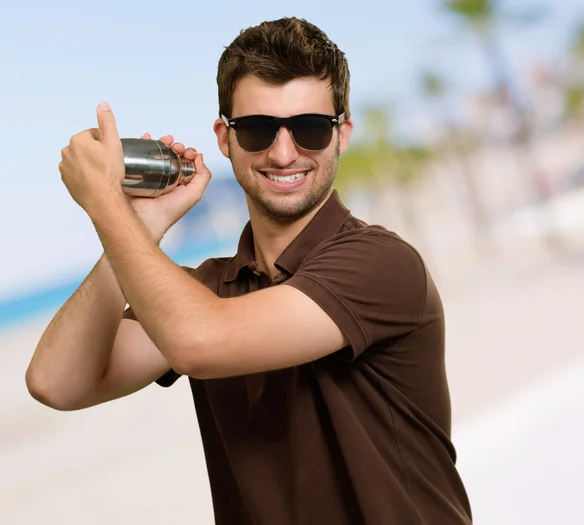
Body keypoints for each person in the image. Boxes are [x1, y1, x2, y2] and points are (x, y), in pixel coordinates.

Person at [26, 17, 472, 525]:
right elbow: (54, 382)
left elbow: (199, 340)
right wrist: (138, 226)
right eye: (259, 130)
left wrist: (105, 202)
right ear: (225, 137)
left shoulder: (381, 263)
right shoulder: (206, 290)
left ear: (341, 134)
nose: (284, 153)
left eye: (310, 128)